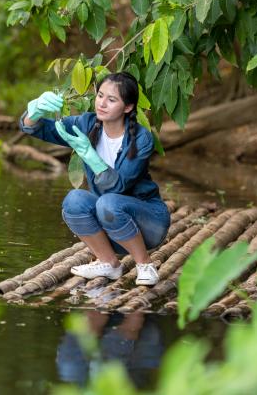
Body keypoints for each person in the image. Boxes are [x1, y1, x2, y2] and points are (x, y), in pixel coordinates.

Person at [20, 72, 170, 285]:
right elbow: (41, 129)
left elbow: (119, 186)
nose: (102, 104)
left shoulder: (141, 138)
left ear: (127, 107)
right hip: (112, 227)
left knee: (108, 202)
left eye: (112, 99)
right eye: (100, 96)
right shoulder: (87, 124)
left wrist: (90, 154)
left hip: (149, 225)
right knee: (74, 200)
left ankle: (145, 264)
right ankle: (109, 263)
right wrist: (34, 111)